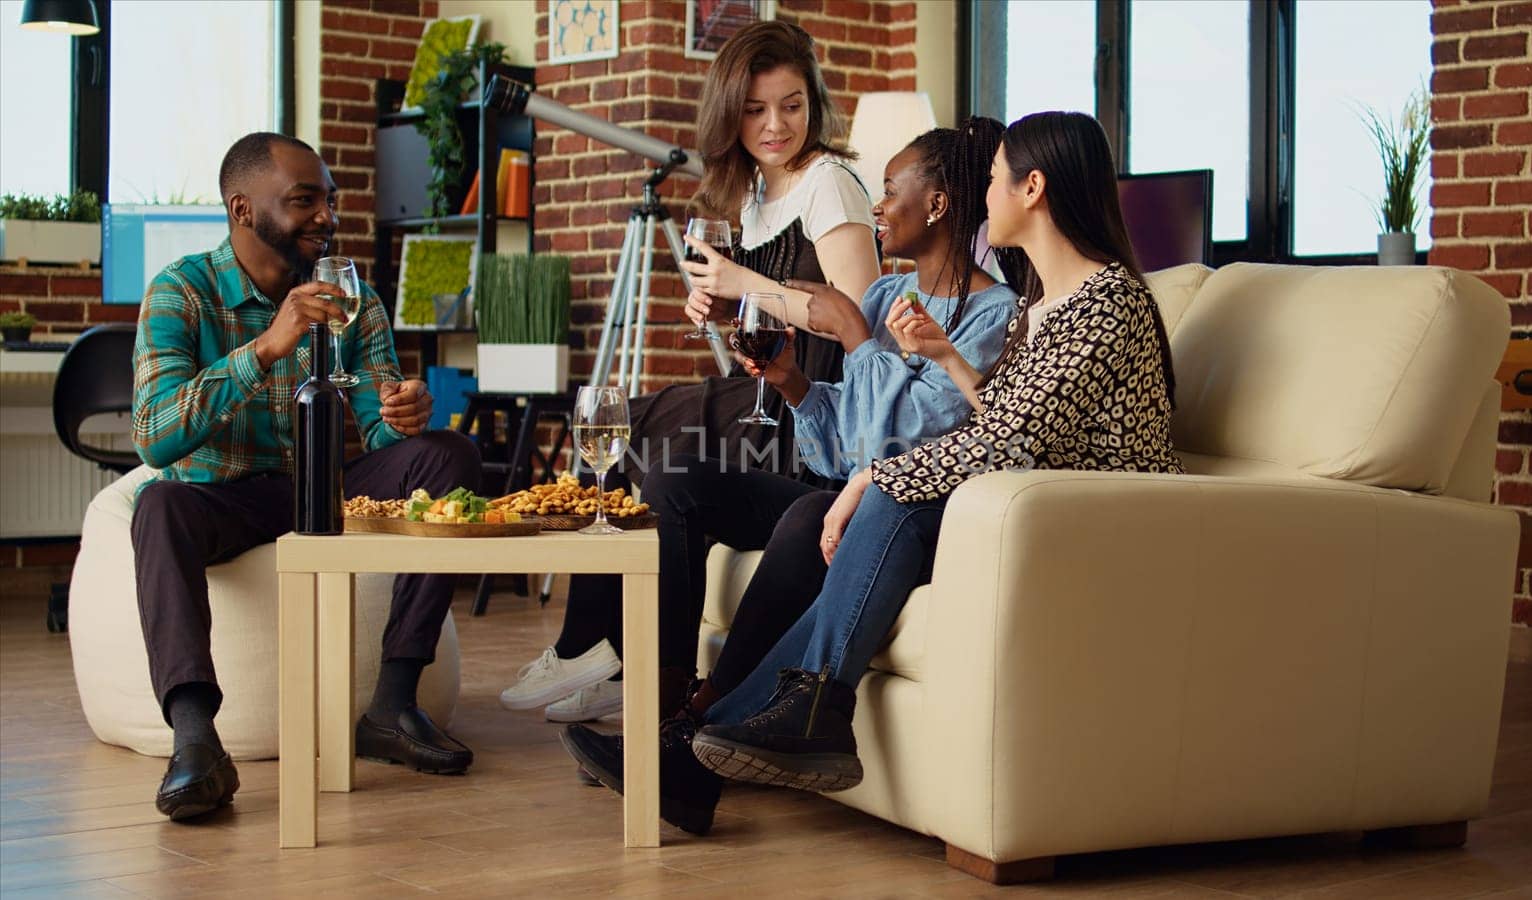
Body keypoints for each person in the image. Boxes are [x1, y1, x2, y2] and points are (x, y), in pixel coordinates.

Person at [565, 111, 1185, 832]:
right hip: (1016, 506)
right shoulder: (1042, 309)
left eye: (993, 179)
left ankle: (753, 727)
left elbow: (1009, 441)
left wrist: (869, 476)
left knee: (883, 498)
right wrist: (823, 391)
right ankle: (734, 736)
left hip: (1087, 524)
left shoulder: (1105, 305)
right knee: (863, 498)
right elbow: (1003, 428)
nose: (986, 195)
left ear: (1033, 187)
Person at [500, 19, 881, 717]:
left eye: (792, 106)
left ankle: (598, 652)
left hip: (816, 414)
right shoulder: (755, 192)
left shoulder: (830, 184)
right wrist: (723, 306)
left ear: (814, 104)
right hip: (766, 393)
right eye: (756, 109)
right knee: (613, 426)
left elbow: (854, 317)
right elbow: (770, 313)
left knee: (628, 426)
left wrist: (742, 284)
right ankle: (602, 649)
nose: (775, 125)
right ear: (729, 111)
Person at [131, 132, 482, 821]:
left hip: (321, 485)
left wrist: (401, 416)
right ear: (241, 208)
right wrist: (266, 347)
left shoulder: (352, 297)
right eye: (304, 200)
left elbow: (380, 431)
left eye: (329, 200)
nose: (326, 215)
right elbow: (154, 435)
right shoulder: (181, 292)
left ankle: (392, 705)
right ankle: (196, 743)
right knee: (157, 505)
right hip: (220, 494)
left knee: (451, 456)